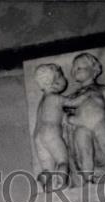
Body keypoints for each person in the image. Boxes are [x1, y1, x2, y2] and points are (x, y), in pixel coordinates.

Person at [62, 52, 105, 183]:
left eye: (80, 67)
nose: (75, 70)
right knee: (84, 152)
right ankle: (88, 180)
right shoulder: (74, 95)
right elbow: (64, 111)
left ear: (94, 70)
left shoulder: (101, 89)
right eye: (74, 68)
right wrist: (68, 118)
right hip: (82, 125)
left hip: (100, 122)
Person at [32, 63, 70, 192]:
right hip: (51, 134)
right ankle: (60, 183)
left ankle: (41, 183)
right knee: (62, 160)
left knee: (47, 168)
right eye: (61, 76)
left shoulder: (42, 102)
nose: (64, 79)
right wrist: (86, 96)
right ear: (55, 82)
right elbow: (74, 102)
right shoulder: (56, 97)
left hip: (38, 137)